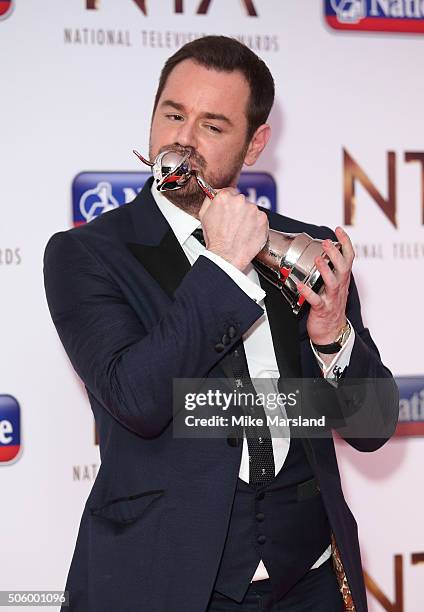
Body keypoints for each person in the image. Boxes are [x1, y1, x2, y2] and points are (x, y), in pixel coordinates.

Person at [44, 36, 398, 612]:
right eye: (173, 115)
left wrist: (333, 333)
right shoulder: (88, 255)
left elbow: (373, 426)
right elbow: (136, 398)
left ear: (254, 144)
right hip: (167, 583)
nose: (182, 140)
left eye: (212, 126)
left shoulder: (302, 251)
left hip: (306, 583)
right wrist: (223, 265)